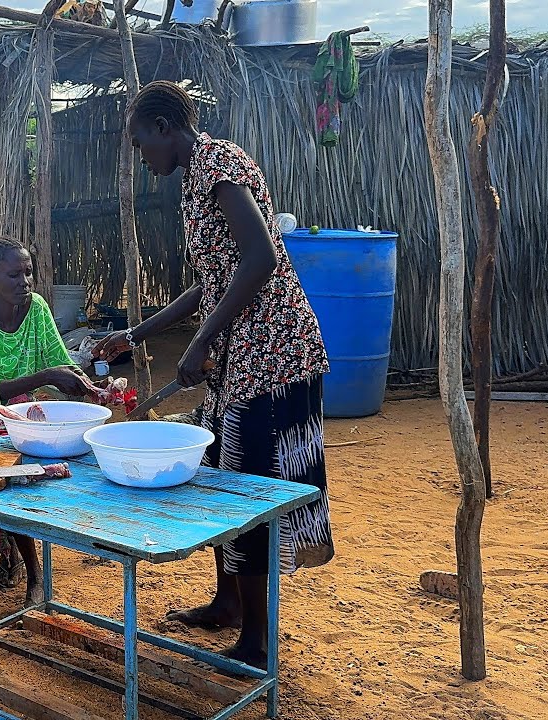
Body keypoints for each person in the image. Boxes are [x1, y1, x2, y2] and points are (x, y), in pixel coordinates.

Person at [94, 81, 334, 668]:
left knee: (244, 495)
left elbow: (261, 258)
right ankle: (228, 603)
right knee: (218, 473)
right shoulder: (199, 173)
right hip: (244, 356)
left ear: (162, 126)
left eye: (139, 142)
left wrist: (201, 341)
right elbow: (213, 279)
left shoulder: (218, 163)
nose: (141, 155)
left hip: (272, 355)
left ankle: (256, 640)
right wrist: (138, 333)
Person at [0, 237, 98, 604]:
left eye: (29, 273)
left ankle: (90, 534)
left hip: (31, 412)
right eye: (14, 274)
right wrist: (45, 377)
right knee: (11, 465)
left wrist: (87, 383)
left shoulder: (36, 308)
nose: (25, 282)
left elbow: (58, 358)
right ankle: (35, 573)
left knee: (80, 448)